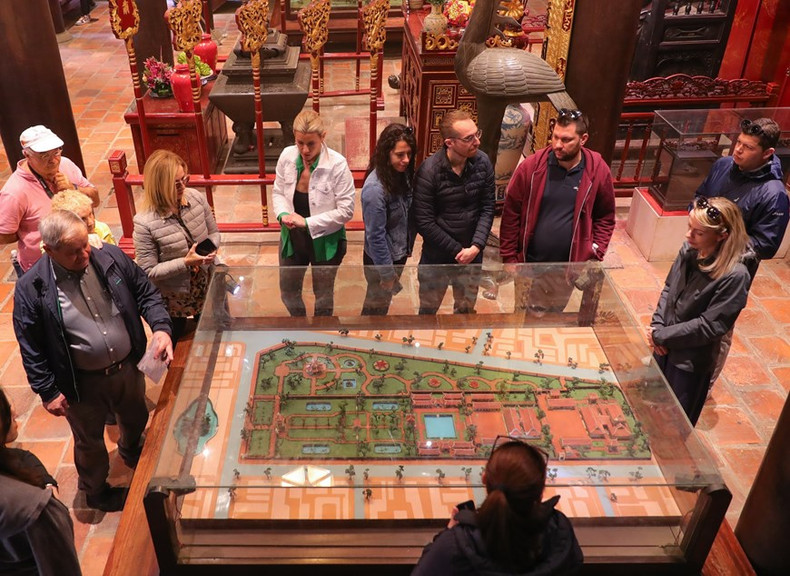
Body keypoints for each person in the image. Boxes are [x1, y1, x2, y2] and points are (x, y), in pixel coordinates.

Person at [13, 210, 174, 512]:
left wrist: (162, 328)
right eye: (73, 251)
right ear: (48, 250)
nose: (85, 253)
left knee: (135, 415)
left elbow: (145, 292)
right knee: (89, 443)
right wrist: (47, 391)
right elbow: (30, 346)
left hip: (127, 367)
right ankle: (96, 491)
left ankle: (131, 449)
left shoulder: (109, 256)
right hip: (81, 383)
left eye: (85, 244)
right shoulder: (31, 288)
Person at [695, 117, 789, 385]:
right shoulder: (723, 165)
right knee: (686, 314)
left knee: (717, 330)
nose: (738, 149)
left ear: (767, 153)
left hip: (730, 273)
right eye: (739, 142)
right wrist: (698, 216)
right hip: (699, 257)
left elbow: (766, 245)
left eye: (748, 147)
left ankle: (704, 387)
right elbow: (700, 196)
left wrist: (721, 239)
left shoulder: (773, 194)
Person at [648, 197, 753, 426]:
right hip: (663, 347)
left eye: (699, 232)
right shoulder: (689, 249)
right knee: (649, 412)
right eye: (689, 227)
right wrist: (657, 326)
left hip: (688, 363)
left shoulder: (735, 276)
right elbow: (669, 289)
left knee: (674, 426)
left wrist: (661, 336)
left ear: (722, 235)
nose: (689, 235)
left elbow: (708, 327)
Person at [500, 109, 616, 315]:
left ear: (583, 139)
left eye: (566, 139)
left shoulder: (597, 169)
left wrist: (595, 251)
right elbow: (511, 213)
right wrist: (509, 257)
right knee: (524, 317)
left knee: (553, 316)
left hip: (566, 268)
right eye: (555, 137)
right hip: (529, 264)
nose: (557, 145)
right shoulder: (531, 167)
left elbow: (605, 216)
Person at [411, 436, 582, 575]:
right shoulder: (560, 530)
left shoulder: (456, 544)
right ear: (541, 492)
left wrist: (446, 533)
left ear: (484, 478)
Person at [272, 110, 355, 316]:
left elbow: (346, 210)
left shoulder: (337, 164)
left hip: (326, 239)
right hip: (293, 237)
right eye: (300, 143)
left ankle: (320, 330)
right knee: (288, 292)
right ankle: (300, 326)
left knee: (323, 296)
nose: (305, 150)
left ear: (323, 137)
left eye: (311, 144)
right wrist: (283, 214)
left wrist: (308, 223)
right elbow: (278, 192)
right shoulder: (287, 156)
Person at [412, 110, 495, 314]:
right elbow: (424, 221)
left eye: (477, 134)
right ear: (449, 142)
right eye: (468, 138)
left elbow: (487, 207)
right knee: (427, 312)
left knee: (465, 312)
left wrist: (476, 246)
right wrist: (458, 250)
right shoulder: (429, 171)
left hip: (472, 252)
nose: (477, 142)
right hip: (438, 255)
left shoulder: (483, 162)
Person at [133, 150, 220, 344]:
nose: (183, 186)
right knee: (177, 343)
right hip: (174, 297)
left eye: (184, 179)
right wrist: (186, 262)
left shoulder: (196, 198)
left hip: (205, 282)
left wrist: (211, 249)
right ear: (159, 185)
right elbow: (148, 271)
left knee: (214, 336)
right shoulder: (144, 223)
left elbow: (214, 233)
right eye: (176, 183)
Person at [1, 386, 83, 575]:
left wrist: (47, 483)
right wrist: (48, 499)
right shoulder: (31, 507)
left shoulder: (17, 460)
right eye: (4, 405)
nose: (13, 410)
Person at [0, 125, 99, 275]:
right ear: (27, 155)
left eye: (56, 152)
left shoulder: (66, 164)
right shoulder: (14, 191)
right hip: (44, 269)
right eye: (44, 156)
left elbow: (95, 200)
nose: (53, 160)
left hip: (82, 256)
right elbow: (4, 235)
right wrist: (32, 234)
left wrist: (74, 188)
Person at [360, 123, 418, 315]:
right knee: (374, 309)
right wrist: (387, 274)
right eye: (400, 155)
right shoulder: (375, 190)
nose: (406, 160)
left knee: (381, 305)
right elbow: (375, 236)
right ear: (387, 154)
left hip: (397, 254)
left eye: (409, 154)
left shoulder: (401, 174)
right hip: (382, 261)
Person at [51, 188, 116, 247]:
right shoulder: (55, 244)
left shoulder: (102, 230)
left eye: (90, 214)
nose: (91, 222)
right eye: (83, 219)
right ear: (66, 222)